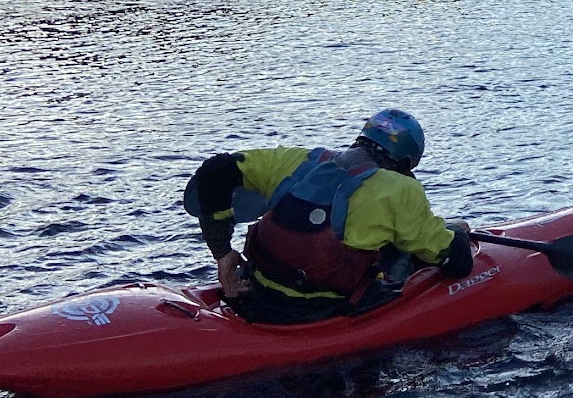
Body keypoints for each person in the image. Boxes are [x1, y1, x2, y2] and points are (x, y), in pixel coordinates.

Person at [183, 108, 474, 323]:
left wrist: (222, 253)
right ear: (408, 161)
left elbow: (215, 171)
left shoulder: (300, 160)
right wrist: (458, 239)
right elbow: (455, 262)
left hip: (255, 297)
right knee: (421, 250)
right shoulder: (401, 190)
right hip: (318, 313)